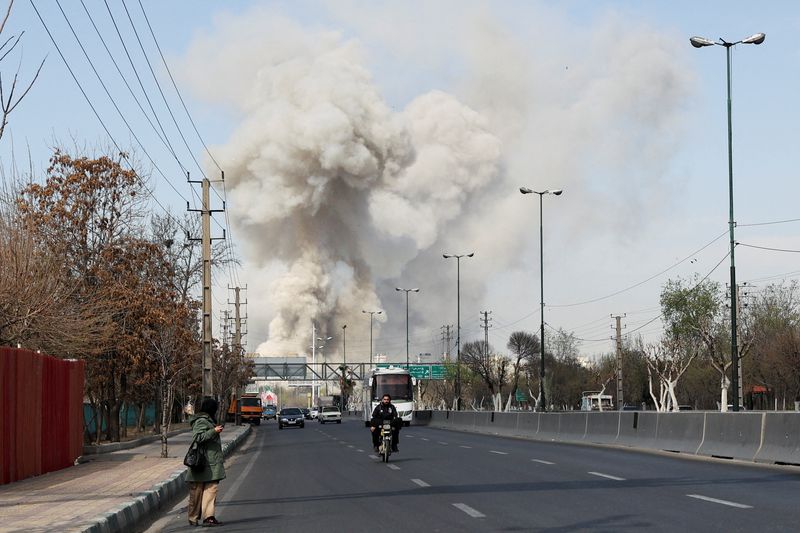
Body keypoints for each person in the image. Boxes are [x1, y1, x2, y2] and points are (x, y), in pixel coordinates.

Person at [186, 397, 226, 527]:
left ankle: (209, 517)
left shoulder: (208, 420)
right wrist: (213, 431)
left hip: (211, 462)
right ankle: (193, 517)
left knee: (211, 488)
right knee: (197, 491)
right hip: (202, 462)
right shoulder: (201, 421)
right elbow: (198, 437)